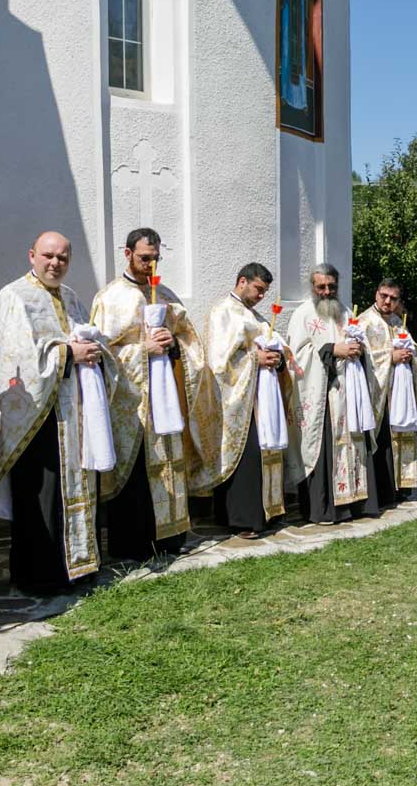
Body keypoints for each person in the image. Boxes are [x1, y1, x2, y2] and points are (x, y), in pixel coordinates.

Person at [0, 231, 107, 593]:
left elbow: (84, 340)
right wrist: (67, 355)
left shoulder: (72, 298)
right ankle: (42, 576)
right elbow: (15, 356)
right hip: (34, 417)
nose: (55, 263)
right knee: (41, 494)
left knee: (75, 491)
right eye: (48, 255)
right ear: (32, 255)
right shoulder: (14, 296)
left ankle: (78, 567)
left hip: (72, 414)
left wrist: (93, 349)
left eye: (63, 257)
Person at [91, 227, 211, 564]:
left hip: (166, 398)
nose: (152, 266)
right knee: (137, 474)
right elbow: (101, 354)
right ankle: (134, 543)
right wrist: (142, 349)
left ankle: (170, 537)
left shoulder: (167, 295)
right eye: (145, 258)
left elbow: (191, 344)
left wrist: (173, 345)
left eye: (156, 258)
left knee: (169, 464)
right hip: (132, 403)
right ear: (127, 254)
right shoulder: (109, 298)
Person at [203, 263, 296, 535]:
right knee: (247, 456)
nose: (261, 296)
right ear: (242, 281)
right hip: (238, 400)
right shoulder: (223, 312)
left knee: (264, 452)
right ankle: (242, 519)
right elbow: (218, 361)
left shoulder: (257, 318)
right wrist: (254, 359)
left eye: (265, 292)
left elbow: (276, 347)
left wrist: (278, 360)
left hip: (262, 399)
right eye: (258, 289)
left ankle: (268, 512)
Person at [289, 264, 379, 522]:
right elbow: (298, 355)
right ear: (313, 287)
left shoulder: (347, 312)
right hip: (324, 396)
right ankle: (326, 508)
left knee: (355, 445)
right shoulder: (303, 315)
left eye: (332, 286)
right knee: (324, 448)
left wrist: (358, 351)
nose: (327, 292)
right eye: (321, 287)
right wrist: (332, 350)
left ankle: (356, 504)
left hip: (349, 394)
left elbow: (366, 350)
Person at [359, 278, 417, 503]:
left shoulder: (398, 322)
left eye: (393, 298)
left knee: (398, 437)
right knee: (381, 440)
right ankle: (381, 492)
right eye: (384, 296)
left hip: (398, 393)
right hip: (376, 392)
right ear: (376, 293)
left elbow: (415, 351)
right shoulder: (364, 321)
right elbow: (362, 357)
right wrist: (390, 357)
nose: (388, 301)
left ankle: (398, 486)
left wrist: (410, 353)